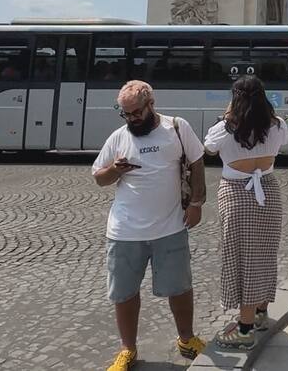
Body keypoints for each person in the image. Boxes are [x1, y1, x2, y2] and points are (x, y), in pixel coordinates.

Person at [91, 80, 208, 371]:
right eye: (126, 114)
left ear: (151, 105)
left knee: (180, 288)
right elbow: (99, 177)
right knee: (124, 293)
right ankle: (127, 349)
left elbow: (197, 162)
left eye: (135, 112)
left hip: (170, 227)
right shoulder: (119, 137)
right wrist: (114, 170)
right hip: (124, 231)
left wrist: (196, 203)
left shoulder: (177, 128)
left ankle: (187, 339)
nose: (131, 119)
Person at [204, 76, 288, 350]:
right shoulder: (277, 126)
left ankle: (244, 329)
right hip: (267, 189)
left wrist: (229, 115)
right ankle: (260, 314)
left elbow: (208, 147)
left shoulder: (224, 129)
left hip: (236, 192)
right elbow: (282, 141)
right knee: (264, 252)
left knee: (241, 256)